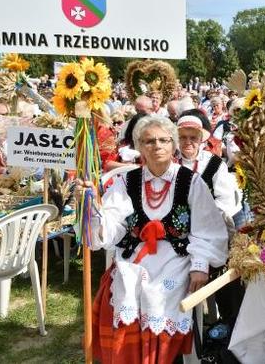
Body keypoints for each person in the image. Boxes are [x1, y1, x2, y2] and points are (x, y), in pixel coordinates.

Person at [87, 115, 229, 363]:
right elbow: (113, 222)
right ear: (139, 147)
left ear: (173, 145)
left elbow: (207, 230)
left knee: (161, 293)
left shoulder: (190, 181)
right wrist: (92, 210)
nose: (157, 146)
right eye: (149, 141)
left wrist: (200, 265)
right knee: (125, 285)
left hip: (177, 258)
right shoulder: (127, 181)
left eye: (164, 140)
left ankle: (164, 356)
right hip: (136, 257)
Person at [175, 114, 240, 235]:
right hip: (177, 226)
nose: (188, 142)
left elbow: (225, 200)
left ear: (200, 140)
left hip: (210, 225)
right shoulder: (169, 162)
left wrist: (199, 219)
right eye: (183, 137)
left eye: (193, 138)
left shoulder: (214, 163)